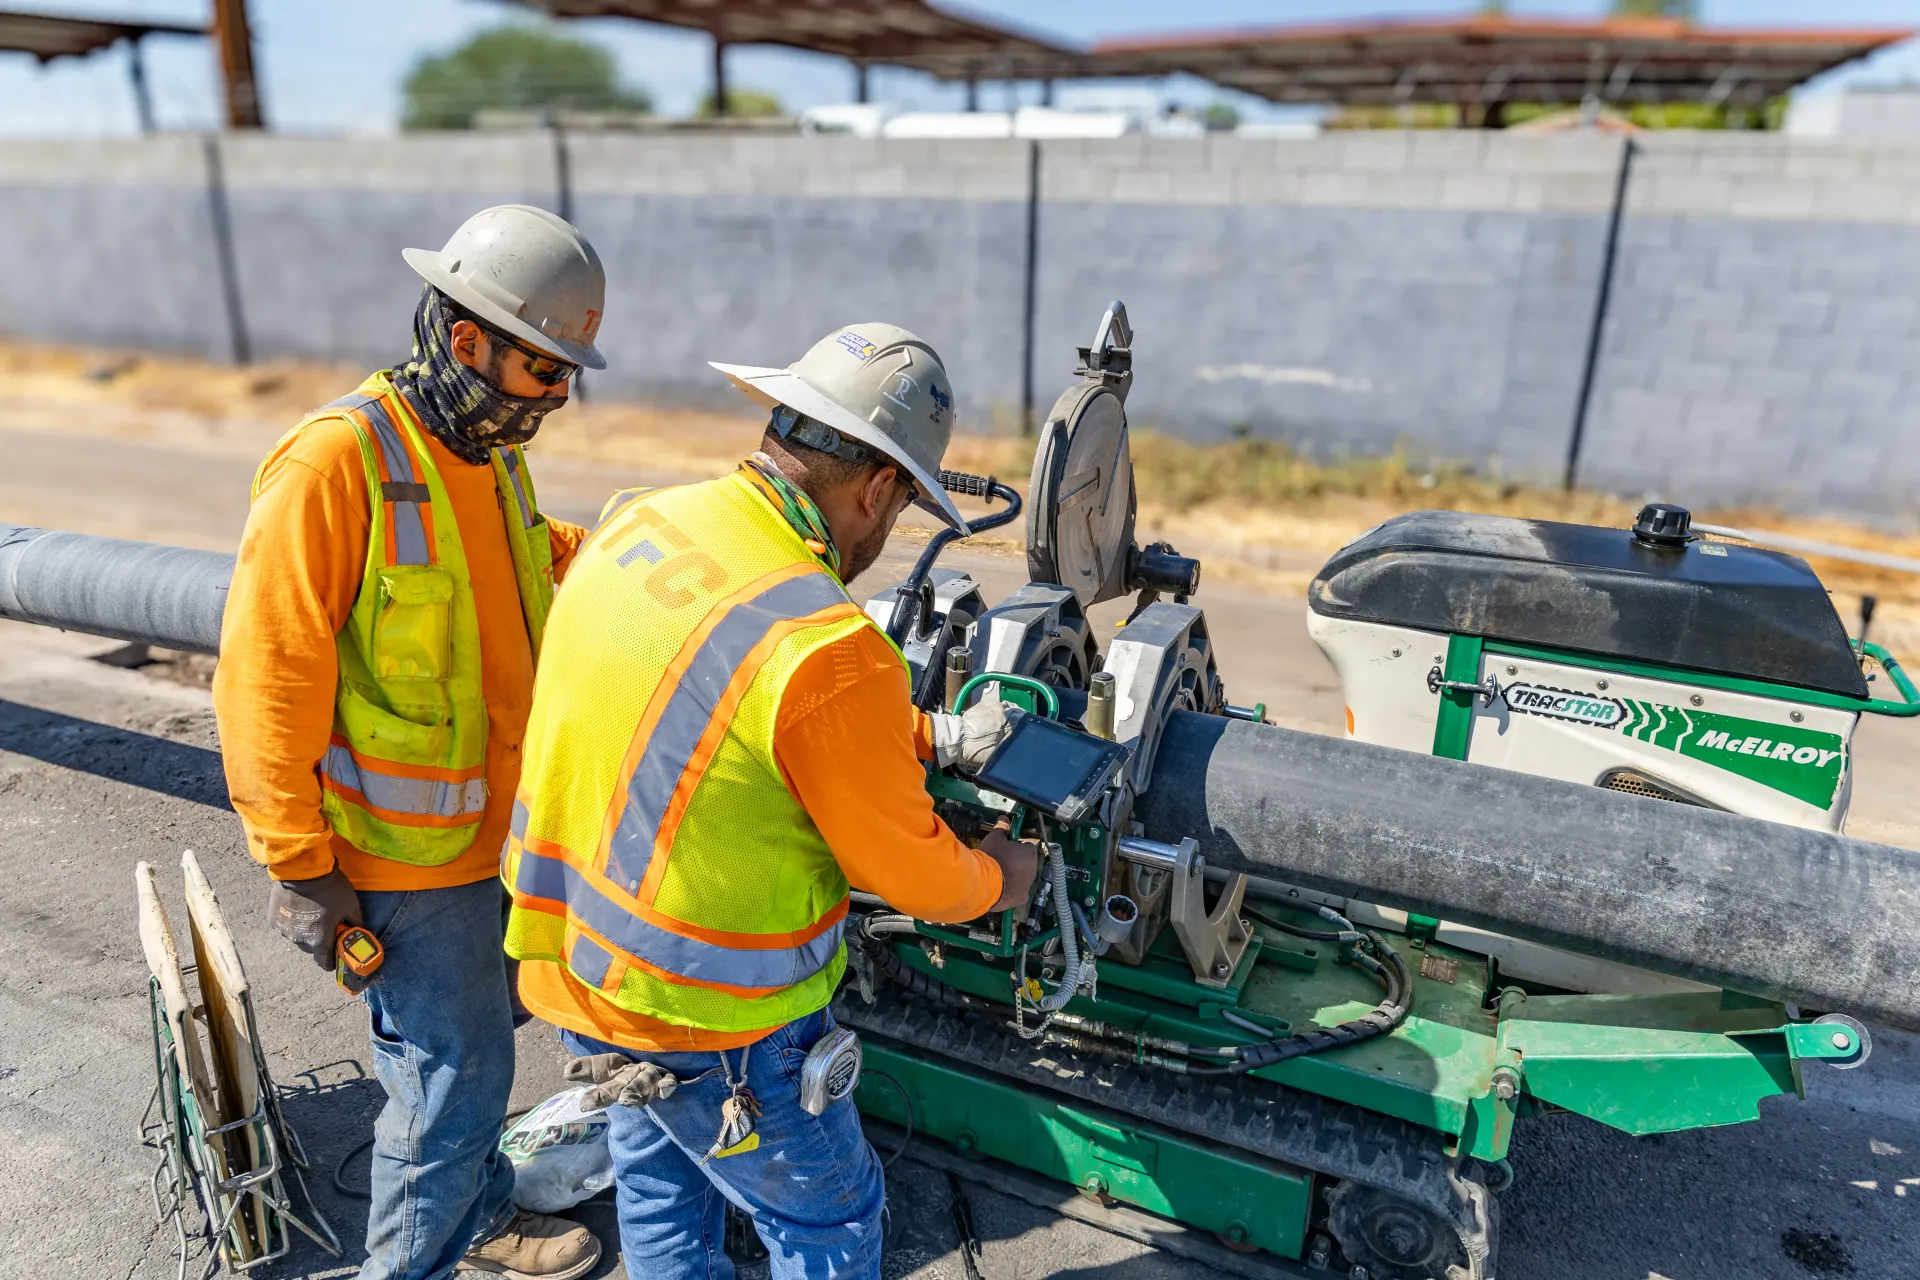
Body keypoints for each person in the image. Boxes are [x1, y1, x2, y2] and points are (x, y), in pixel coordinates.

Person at [502, 323, 1042, 1279]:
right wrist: (1001, 876)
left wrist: (923, 736)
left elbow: (721, 709)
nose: (888, 536)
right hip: (718, 1018)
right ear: (877, 487)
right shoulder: (827, 644)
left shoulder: (642, 518)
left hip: (582, 961)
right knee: (831, 1215)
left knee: (661, 1172)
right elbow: (915, 875)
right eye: (901, 508)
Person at [212, 205, 606, 1280]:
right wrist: (300, 865)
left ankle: (475, 1214)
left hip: (498, 835)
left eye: (570, 371)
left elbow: (525, 558)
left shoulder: (486, 449)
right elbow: (264, 673)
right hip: (403, 858)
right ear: (468, 337)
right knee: (449, 1081)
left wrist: (633, 547)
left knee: (465, 1064)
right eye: (543, 366)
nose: (558, 395)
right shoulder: (336, 461)